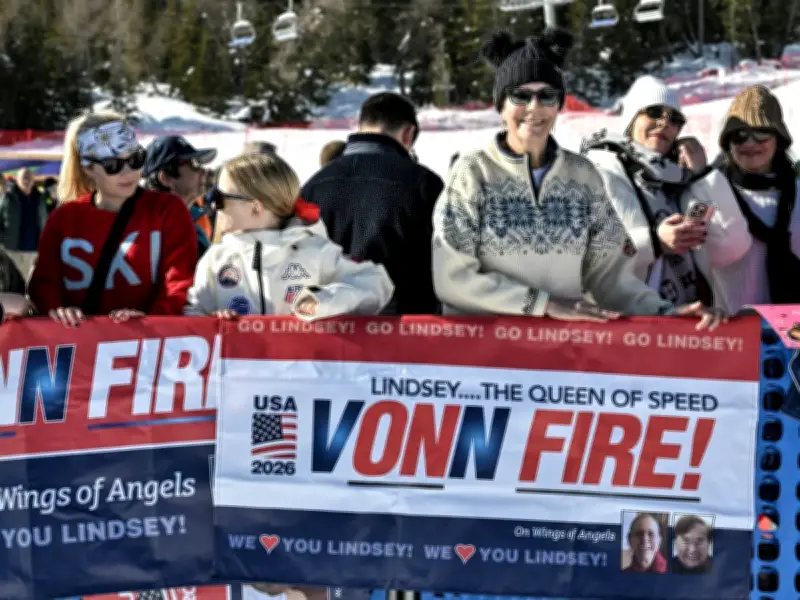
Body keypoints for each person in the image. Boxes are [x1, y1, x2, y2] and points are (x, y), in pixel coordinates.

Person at [433, 29, 720, 329]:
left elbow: (611, 276)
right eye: (520, 95)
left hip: (562, 360)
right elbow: (453, 278)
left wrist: (664, 313)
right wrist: (542, 305)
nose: (534, 108)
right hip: (488, 360)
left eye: (547, 96)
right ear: (501, 105)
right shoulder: (472, 173)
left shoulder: (582, 177)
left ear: (558, 106)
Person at [581, 76, 749, 310]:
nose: (664, 123)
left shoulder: (680, 180)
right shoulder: (594, 171)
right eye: (654, 112)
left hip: (685, 323)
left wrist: (703, 175)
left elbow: (731, 249)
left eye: (675, 118)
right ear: (631, 117)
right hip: (624, 328)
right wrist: (654, 242)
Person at [28, 111, 198, 327]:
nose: (128, 172)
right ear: (88, 168)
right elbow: (44, 283)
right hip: (81, 347)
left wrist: (152, 321)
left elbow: (179, 282)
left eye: (135, 160)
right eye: (112, 165)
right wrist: (58, 311)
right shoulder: (64, 219)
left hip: (150, 345)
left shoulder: (168, 210)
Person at [185, 153, 393, 321]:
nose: (212, 206)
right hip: (240, 371)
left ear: (256, 208)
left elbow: (375, 283)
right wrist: (210, 321)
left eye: (220, 198)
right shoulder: (216, 258)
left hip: (301, 370)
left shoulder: (313, 250)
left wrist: (323, 301)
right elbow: (193, 311)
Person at [300, 92, 443, 315]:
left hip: (327, 327)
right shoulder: (423, 184)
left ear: (361, 126)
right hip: (405, 332)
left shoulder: (314, 185)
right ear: (408, 134)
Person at [707, 85, 800, 309]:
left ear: (778, 139)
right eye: (739, 135)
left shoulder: (798, 193)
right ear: (728, 143)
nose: (750, 143)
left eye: (761, 133)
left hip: (794, 334)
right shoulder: (710, 195)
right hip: (732, 336)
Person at [143, 135, 217, 257]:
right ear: (166, 178)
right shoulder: (150, 234)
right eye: (193, 163)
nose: (203, 171)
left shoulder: (191, 224)